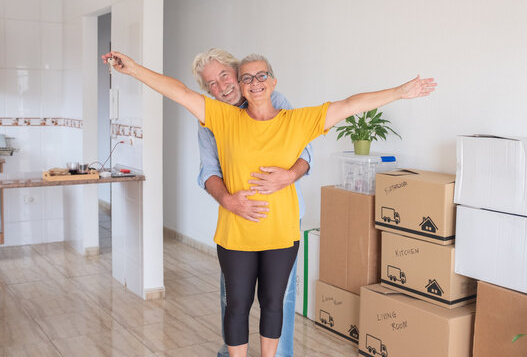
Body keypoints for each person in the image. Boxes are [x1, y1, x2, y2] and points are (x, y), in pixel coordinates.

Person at [102, 51, 436, 357]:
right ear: (241, 87)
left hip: (281, 233)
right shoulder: (220, 117)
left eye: (260, 76)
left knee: (274, 304)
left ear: (273, 82)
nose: (254, 83)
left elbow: (350, 104)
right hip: (236, 233)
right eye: (247, 78)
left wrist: (399, 92)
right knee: (236, 305)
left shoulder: (297, 119)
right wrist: (132, 69)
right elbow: (179, 92)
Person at [191, 48, 310, 357]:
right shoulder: (211, 117)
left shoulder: (272, 97)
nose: (220, 87)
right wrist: (228, 200)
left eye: (224, 76)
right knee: (234, 299)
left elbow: (305, 154)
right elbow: (208, 172)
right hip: (238, 223)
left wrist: (288, 175)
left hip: (280, 222)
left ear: (239, 74)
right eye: (211, 84)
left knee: (278, 299)